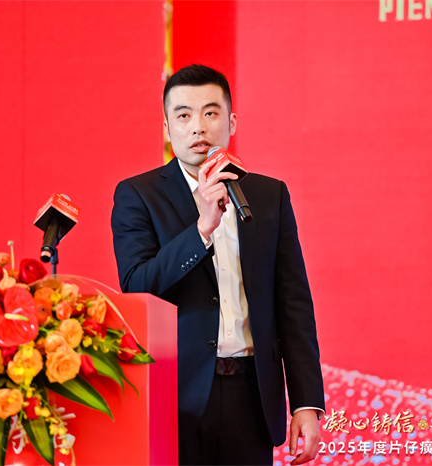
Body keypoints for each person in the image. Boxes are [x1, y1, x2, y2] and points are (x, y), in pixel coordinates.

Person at [111, 64, 325, 465]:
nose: (198, 127)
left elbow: (293, 303)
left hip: (252, 395)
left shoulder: (268, 195)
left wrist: (306, 402)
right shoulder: (138, 195)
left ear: (231, 122)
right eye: (183, 115)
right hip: (176, 395)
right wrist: (201, 230)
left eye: (210, 113)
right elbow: (137, 286)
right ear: (167, 127)